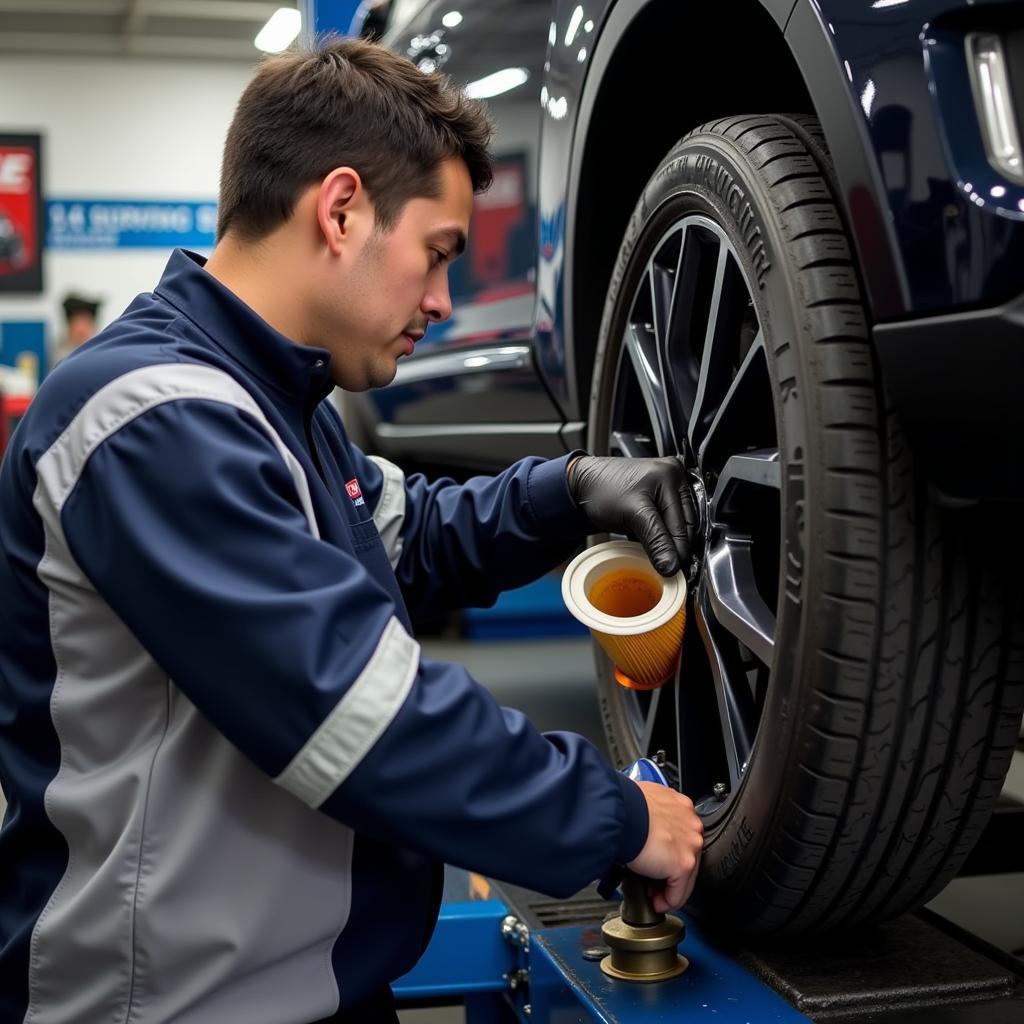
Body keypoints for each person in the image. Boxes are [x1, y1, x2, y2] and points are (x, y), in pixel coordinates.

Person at [0, 37, 703, 1024]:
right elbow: (357, 715)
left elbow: (409, 536)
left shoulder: (273, 405)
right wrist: (615, 816)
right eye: (438, 254)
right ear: (340, 210)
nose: (439, 302)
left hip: (308, 982)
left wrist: (570, 491)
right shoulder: (148, 417)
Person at [53, 291, 101, 364]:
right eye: (77, 323)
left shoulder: (100, 353)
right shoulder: (59, 356)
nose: (81, 329)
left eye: (86, 323)